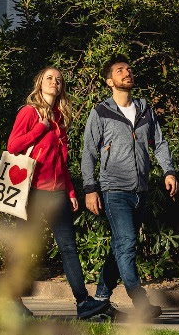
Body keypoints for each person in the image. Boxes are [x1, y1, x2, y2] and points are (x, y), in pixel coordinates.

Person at [8, 66, 112, 321]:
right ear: (40, 83)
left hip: (56, 192)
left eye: (59, 80)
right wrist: (39, 129)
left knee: (68, 247)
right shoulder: (29, 112)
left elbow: (61, 161)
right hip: (31, 191)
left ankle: (83, 303)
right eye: (49, 78)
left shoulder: (58, 116)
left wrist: (71, 190)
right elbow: (13, 145)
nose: (55, 82)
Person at [81, 55, 178, 320]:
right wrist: (90, 189)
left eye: (129, 69)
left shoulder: (145, 109)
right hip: (114, 191)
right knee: (127, 244)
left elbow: (159, 142)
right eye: (120, 70)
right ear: (109, 81)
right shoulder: (101, 112)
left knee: (120, 247)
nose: (127, 73)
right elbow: (88, 152)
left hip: (141, 191)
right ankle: (141, 303)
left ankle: (99, 301)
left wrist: (168, 171)